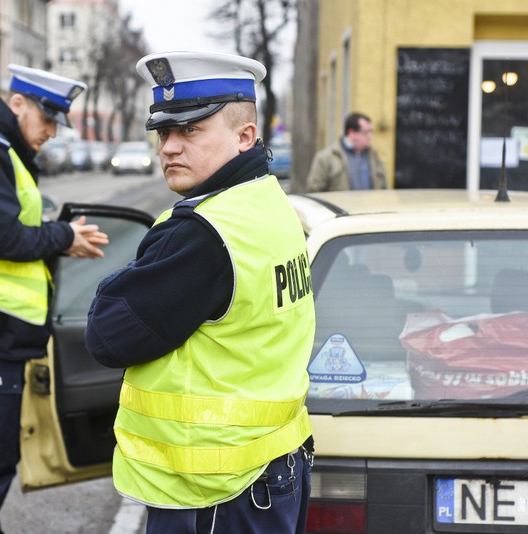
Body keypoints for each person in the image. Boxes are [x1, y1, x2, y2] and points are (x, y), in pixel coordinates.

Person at [85, 51, 316, 534]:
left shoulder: (202, 233)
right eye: (164, 132)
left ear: (245, 136)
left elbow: (106, 336)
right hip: (274, 466)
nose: (168, 146)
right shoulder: (269, 202)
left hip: (214, 492)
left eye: (190, 130)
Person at [0, 64, 108, 534]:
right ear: (17, 105)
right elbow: (4, 238)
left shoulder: (3, 152)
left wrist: (60, 237)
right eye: (47, 119)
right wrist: (62, 235)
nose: (52, 132)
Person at [305, 112, 387, 192]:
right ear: (351, 133)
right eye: (365, 133)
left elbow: (385, 186)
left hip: (370, 205)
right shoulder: (327, 157)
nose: (370, 137)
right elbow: (313, 190)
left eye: (371, 132)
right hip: (339, 205)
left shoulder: (373, 155)